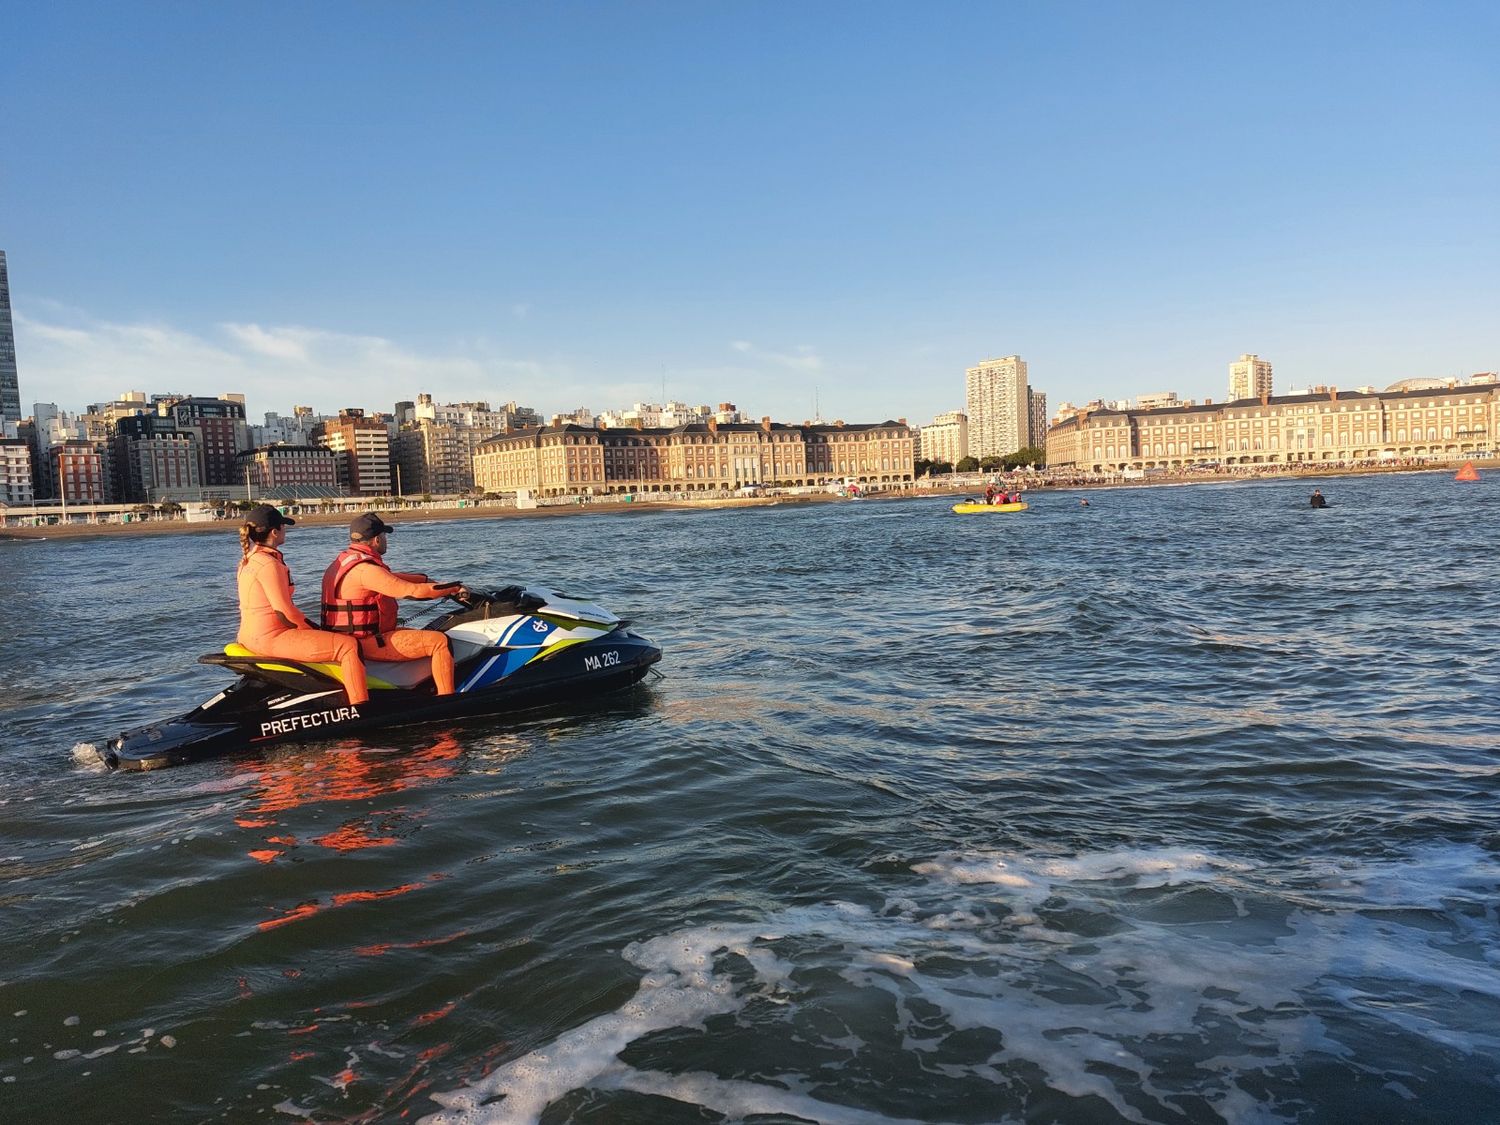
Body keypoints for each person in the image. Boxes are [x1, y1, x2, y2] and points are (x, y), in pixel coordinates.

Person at [237, 504, 369, 705]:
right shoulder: (268, 565)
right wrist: (312, 629)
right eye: (283, 526)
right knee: (348, 645)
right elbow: (285, 612)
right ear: (274, 532)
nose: (285, 530)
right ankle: (361, 706)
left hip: (249, 636)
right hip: (271, 637)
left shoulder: (248, 560)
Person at [321, 513, 465, 695]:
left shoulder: (343, 564)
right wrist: (451, 589)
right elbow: (413, 592)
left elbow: (392, 578)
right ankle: (447, 699)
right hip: (367, 642)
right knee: (439, 641)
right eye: (384, 536)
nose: (386, 540)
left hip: (352, 638)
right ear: (376, 540)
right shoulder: (366, 570)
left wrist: (427, 579)